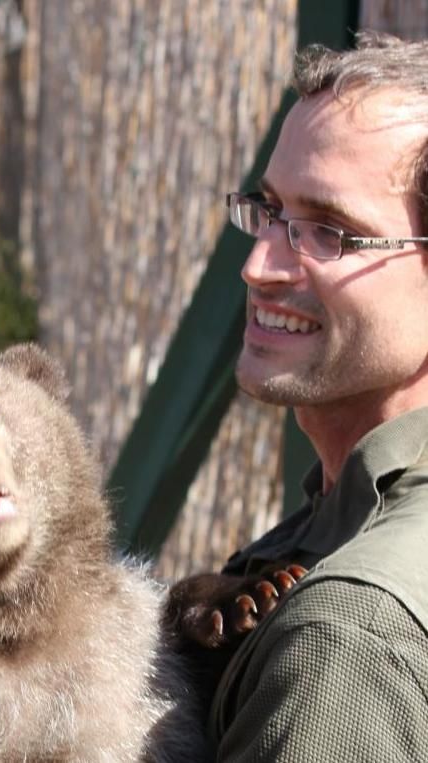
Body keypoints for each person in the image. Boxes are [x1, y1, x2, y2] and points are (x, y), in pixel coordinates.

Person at [207, 32, 428, 760]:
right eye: (269, 210)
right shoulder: (331, 528)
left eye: (330, 231)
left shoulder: (345, 638)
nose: (259, 265)